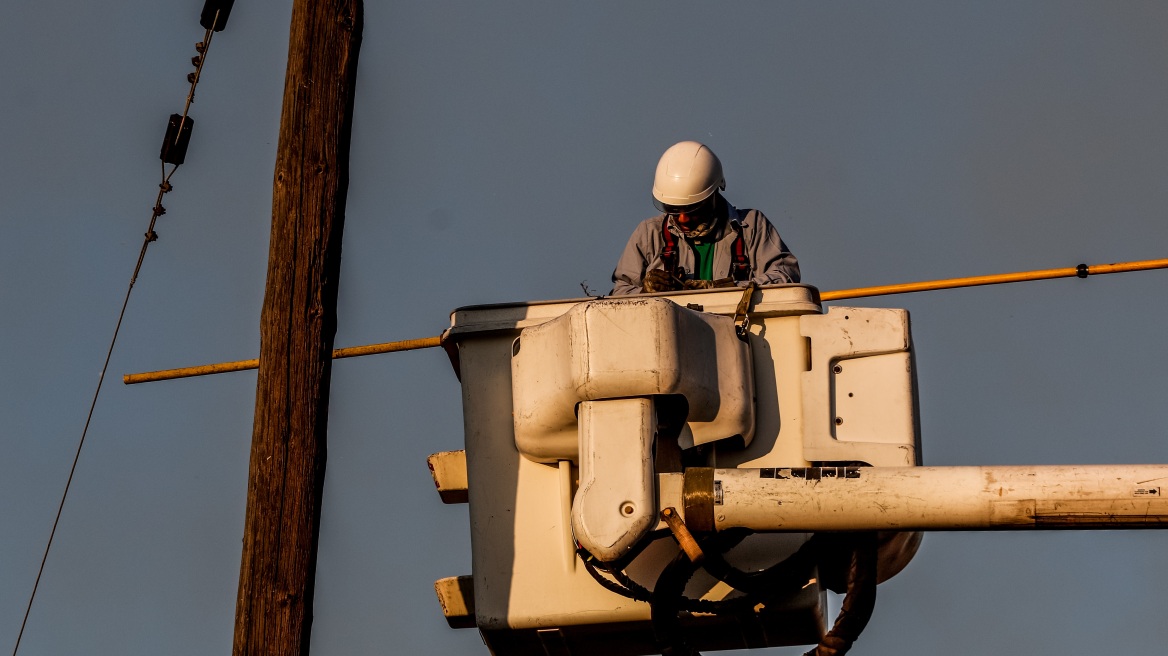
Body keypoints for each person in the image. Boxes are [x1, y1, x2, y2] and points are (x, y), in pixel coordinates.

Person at [611, 141, 800, 295]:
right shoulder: (649, 235)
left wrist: (733, 289)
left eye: (692, 209)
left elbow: (786, 275)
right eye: (674, 209)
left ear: (713, 196)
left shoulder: (750, 227)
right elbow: (619, 294)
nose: (683, 219)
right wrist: (645, 292)